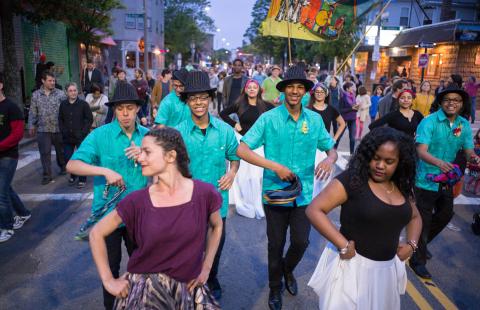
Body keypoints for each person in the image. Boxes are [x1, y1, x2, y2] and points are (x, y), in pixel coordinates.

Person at [237, 64, 338, 310]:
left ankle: (287, 270)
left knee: (301, 242)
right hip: (275, 194)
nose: (294, 91)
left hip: (303, 195)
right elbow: (242, 148)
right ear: (283, 91)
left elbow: (331, 148)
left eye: (299, 88)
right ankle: (274, 287)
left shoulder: (314, 120)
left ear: (306, 92)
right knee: (275, 244)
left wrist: (329, 158)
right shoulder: (269, 118)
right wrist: (274, 166)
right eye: (290, 87)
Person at [89, 127, 223, 309]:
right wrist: (108, 280)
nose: (140, 157)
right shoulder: (136, 201)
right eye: (141, 152)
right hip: (146, 296)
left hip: (189, 291)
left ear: (170, 156)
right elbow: (96, 233)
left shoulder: (205, 194)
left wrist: (207, 268)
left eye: (147, 152)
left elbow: (216, 227)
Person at [306, 127, 422, 310]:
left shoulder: (400, 185)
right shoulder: (353, 180)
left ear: (400, 162)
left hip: (386, 273)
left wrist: (412, 245)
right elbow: (314, 209)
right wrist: (342, 244)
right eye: (376, 158)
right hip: (352, 269)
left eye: (389, 161)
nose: (380, 165)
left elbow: (415, 217)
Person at [66, 81, 149, 310]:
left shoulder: (148, 137)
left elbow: (167, 168)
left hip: (139, 216)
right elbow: (72, 165)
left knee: (143, 268)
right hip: (107, 214)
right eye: (120, 108)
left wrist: (146, 156)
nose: (125, 113)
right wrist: (103, 170)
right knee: (111, 272)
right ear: (113, 109)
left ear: (137, 109)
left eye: (130, 108)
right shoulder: (100, 135)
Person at [175, 71, 240, 300]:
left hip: (217, 201)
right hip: (185, 202)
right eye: (193, 98)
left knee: (216, 245)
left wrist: (232, 173)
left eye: (203, 97)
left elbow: (234, 156)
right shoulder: (179, 132)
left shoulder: (224, 130)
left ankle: (211, 278)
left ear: (210, 99)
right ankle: (190, 283)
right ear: (187, 101)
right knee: (190, 248)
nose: (199, 102)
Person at [409, 88, 480, 279]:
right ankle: (417, 259)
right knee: (422, 222)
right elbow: (421, 151)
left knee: (445, 215)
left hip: (447, 181)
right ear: (441, 102)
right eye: (447, 99)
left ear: (462, 104)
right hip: (425, 180)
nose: (452, 103)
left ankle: (417, 245)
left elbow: (468, 150)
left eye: (456, 100)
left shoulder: (463, 124)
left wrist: (473, 158)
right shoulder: (429, 121)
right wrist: (439, 163)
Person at [220, 79, 273, 219]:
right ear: (245, 90)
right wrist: (234, 124)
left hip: (259, 145)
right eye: (249, 87)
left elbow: (279, 115)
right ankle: (245, 201)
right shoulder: (239, 104)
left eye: (255, 87)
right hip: (243, 144)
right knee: (243, 176)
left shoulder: (265, 106)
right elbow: (223, 113)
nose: (252, 89)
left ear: (259, 90)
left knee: (257, 176)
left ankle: (258, 202)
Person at [0, 72, 31, 243]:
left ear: (1, 85)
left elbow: (17, 134)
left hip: (8, 156)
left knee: (0, 192)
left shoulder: (11, 108)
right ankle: (23, 213)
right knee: (5, 189)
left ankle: (6, 227)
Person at [28, 70, 67, 185]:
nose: (52, 83)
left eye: (54, 80)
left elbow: (66, 109)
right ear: (43, 81)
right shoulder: (36, 95)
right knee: (45, 153)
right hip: (43, 129)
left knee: (61, 152)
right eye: (50, 81)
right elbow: (33, 111)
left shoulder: (60, 94)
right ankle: (47, 175)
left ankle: (63, 166)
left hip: (58, 128)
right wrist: (31, 125)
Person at [307, 82, 346, 196]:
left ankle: (319, 199)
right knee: (311, 175)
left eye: (322, 92)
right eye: (317, 92)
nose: (319, 94)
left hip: (325, 147)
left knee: (323, 175)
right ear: (313, 94)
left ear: (326, 94)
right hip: (310, 146)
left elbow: (342, 124)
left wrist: (334, 139)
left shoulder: (331, 109)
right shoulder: (307, 109)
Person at [59, 82, 93, 188]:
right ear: (66, 92)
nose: (73, 93)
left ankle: (82, 178)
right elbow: (60, 119)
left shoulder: (83, 104)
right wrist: (63, 131)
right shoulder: (63, 104)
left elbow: (89, 119)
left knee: (81, 158)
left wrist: (83, 132)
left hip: (80, 137)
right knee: (68, 157)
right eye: (70, 91)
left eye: (75, 90)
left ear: (77, 91)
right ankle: (73, 174)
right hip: (67, 137)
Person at [337, 82, 358, 154]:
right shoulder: (343, 97)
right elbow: (340, 110)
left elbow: (354, 108)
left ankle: (352, 153)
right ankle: (333, 150)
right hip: (344, 119)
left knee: (352, 138)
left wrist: (356, 108)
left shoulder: (353, 96)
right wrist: (351, 108)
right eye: (351, 87)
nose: (353, 88)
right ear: (347, 89)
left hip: (353, 119)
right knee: (339, 136)